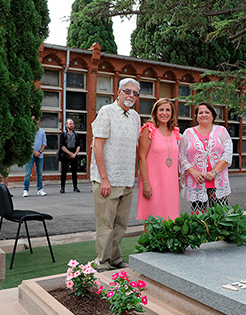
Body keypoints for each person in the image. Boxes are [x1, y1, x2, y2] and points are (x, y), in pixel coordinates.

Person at [90, 78, 141, 270]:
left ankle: (115, 259)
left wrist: (133, 176)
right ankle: (102, 262)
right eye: (128, 91)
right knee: (106, 225)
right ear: (118, 92)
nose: (131, 96)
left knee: (121, 225)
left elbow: (134, 148)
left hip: (126, 179)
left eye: (135, 93)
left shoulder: (135, 117)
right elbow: (97, 146)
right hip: (107, 180)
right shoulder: (106, 112)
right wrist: (104, 178)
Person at [179, 103, 233, 215]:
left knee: (221, 218)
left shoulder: (221, 131)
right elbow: (181, 155)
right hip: (197, 182)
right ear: (196, 116)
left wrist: (214, 172)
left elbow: (227, 154)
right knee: (199, 219)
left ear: (213, 116)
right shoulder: (188, 133)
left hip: (217, 181)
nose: (204, 115)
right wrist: (193, 171)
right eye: (200, 112)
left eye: (207, 112)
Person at [136, 99, 181, 222]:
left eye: (168, 110)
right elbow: (142, 157)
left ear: (172, 113)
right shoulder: (149, 130)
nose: (164, 113)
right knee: (153, 218)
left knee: (171, 218)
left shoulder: (174, 132)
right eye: (161, 110)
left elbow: (175, 159)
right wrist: (146, 183)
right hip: (153, 182)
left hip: (171, 183)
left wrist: (178, 179)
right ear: (155, 112)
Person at [23, 117, 47, 197]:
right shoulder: (29, 132)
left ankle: (40, 189)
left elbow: (44, 143)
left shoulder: (42, 132)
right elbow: (28, 144)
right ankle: (25, 190)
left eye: (35, 121)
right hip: (31, 155)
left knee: (39, 173)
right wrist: (34, 152)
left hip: (40, 156)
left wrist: (39, 152)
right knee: (28, 173)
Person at [58, 118, 81, 194]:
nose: (72, 125)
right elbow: (62, 146)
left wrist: (75, 154)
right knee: (64, 171)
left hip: (74, 154)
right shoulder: (63, 134)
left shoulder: (76, 134)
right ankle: (62, 187)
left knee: (74, 171)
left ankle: (75, 187)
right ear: (66, 125)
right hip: (65, 154)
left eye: (73, 123)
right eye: (70, 123)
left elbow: (78, 145)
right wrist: (69, 153)